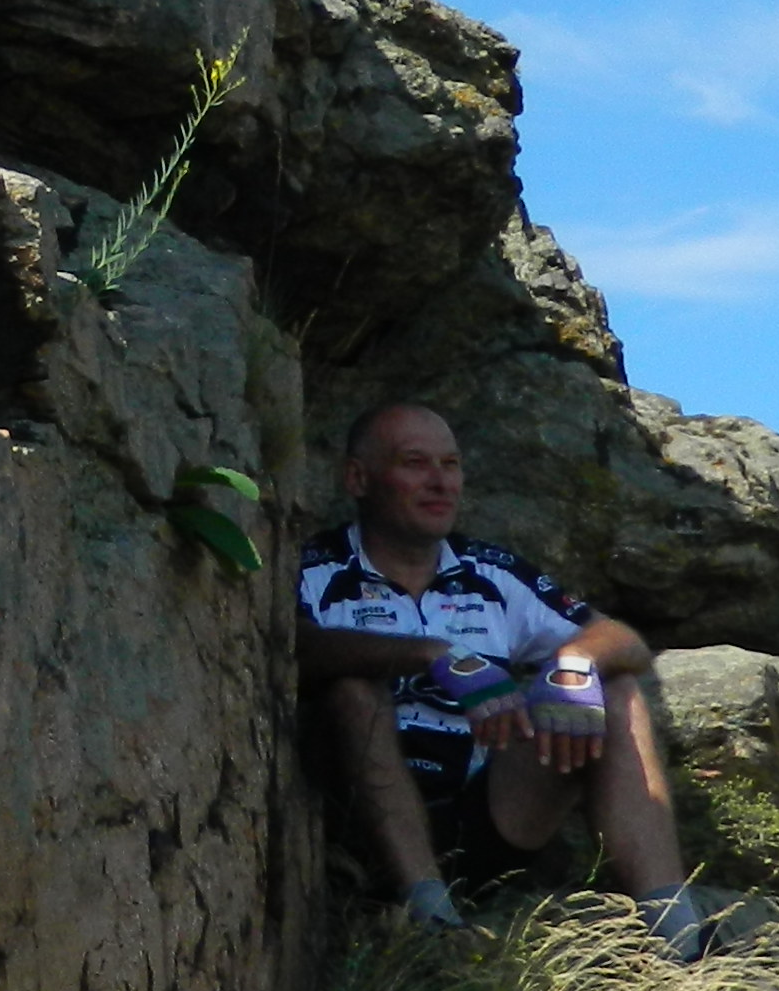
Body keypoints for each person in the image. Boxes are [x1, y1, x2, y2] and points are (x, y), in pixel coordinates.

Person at [294, 400, 727, 960]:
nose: (439, 482)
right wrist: (429, 654)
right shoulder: (314, 568)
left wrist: (574, 665)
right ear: (358, 477)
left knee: (615, 691)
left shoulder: (489, 571)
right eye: (414, 463)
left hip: (486, 810)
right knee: (352, 692)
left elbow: (624, 639)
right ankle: (433, 930)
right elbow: (293, 648)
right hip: (360, 817)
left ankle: (678, 937)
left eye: (450, 465)